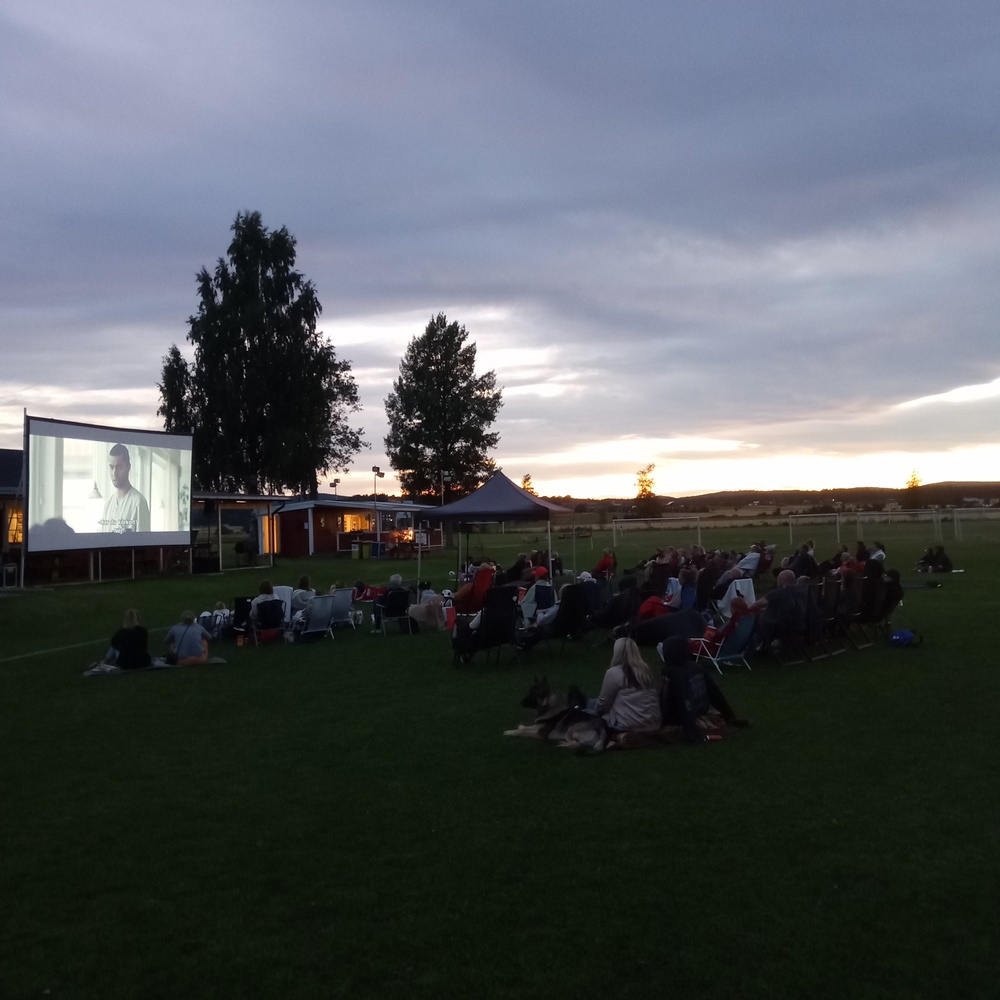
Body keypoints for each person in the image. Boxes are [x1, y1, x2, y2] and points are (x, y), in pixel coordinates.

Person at [592, 638, 661, 734]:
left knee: (589, 707)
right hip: (653, 723)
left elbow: (604, 703)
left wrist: (596, 711)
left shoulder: (614, 673)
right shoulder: (646, 671)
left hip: (627, 724)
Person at [101, 444, 150, 533]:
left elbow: (144, 544)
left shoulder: (138, 502)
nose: (114, 473)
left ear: (128, 467)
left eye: (119, 467)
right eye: (111, 467)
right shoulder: (107, 505)